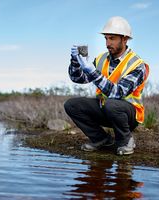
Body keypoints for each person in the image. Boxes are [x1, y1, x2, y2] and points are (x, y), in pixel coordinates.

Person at [64, 16, 149, 155]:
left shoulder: (137, 64)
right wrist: (75, 62)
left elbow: (118, 93)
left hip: (128, 115)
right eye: (106, 38)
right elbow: (78, 79)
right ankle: (101, 139)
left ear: (125, 39)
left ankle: (125, 141)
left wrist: (92, 72)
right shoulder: (101, 59)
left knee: (112, 103)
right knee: (71, 105)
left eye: (112, 38)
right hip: (106, 108)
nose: (108, 43)